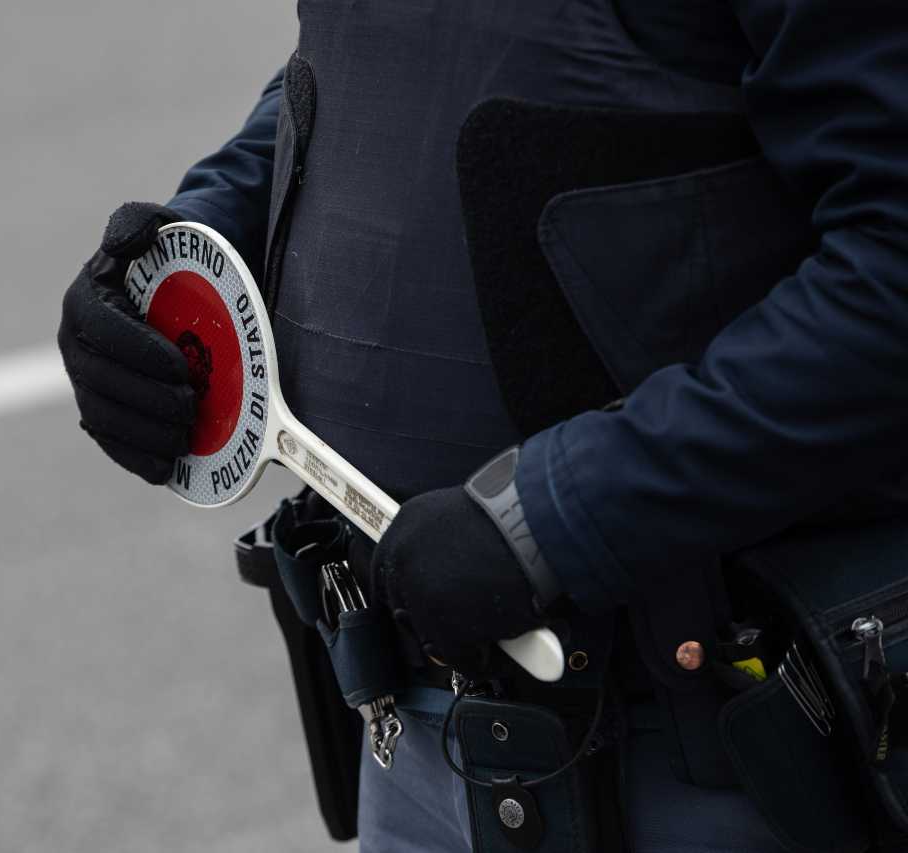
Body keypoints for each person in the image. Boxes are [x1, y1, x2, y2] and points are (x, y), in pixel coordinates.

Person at [58, 1, 908, 850]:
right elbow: (388, 60)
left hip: (708, 741)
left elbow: (889, 268)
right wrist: (199, 245)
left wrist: (549, 514)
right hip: (412, 726)